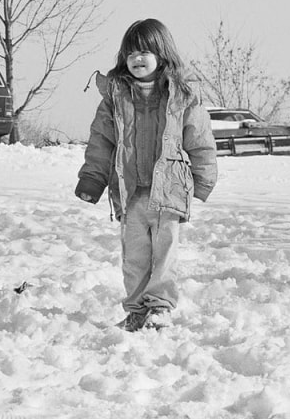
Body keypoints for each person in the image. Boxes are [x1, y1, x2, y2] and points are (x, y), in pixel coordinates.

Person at [74, 18, 218, 331]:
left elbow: (200, 138)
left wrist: (204, 178)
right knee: (135, 257)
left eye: (144, 52)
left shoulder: (182, 97)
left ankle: (160, 307)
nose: (137, 59)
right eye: (130, 53)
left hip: (168, 191)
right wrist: (92, 179)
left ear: (162, 54)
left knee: (164, 254)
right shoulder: (115, 99)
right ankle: (137, 309)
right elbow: (102, 141)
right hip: (131, 190)